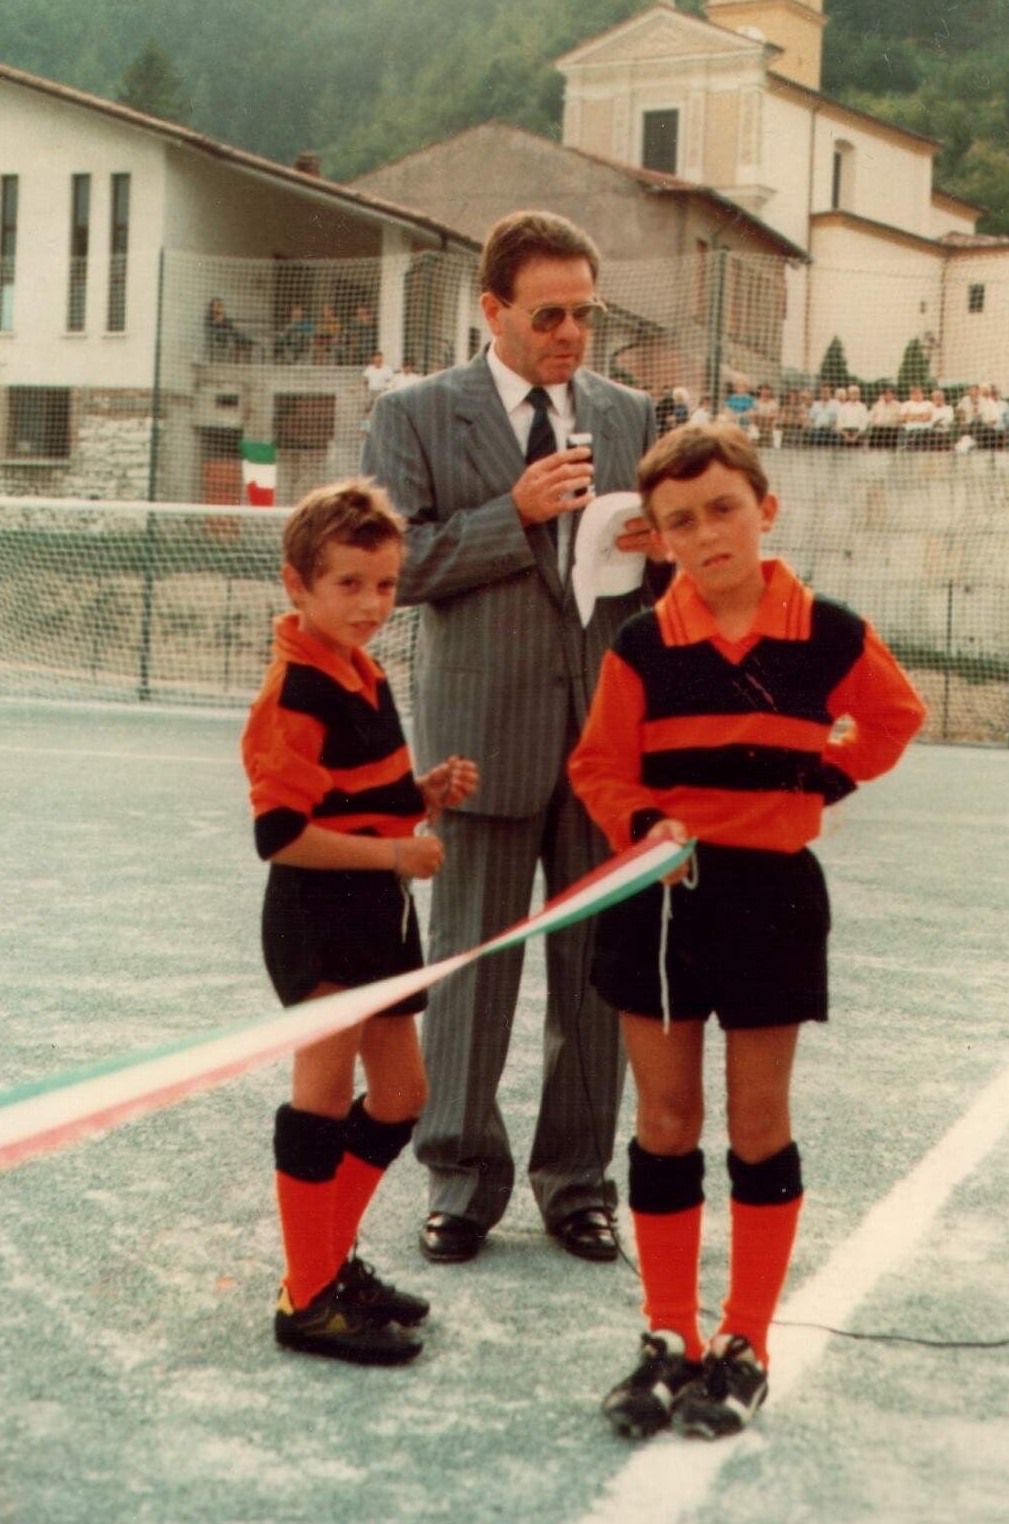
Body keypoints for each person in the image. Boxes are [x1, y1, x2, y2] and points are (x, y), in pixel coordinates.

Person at [568, 421, 925, 1439]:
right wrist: (644, 830)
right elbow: (599, 766)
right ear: (658, 540)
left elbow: (895, 718)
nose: (705, 532)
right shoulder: (640, 644)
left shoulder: (828, 632)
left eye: (723, 508)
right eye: (679, 521)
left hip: (771, 899)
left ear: (764, 511)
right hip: (662, 906)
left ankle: (745, 1341)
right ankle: (667, 1336)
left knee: (758, 1124)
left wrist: (824, 777)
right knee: (666, 1122)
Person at [362, 209, 662, 1266]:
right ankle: (459, 1177)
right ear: (490, 310)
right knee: (469, 968)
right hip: (479, 740)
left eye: (586, 313)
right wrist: (516, 514)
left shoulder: (631, 413)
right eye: (549, 314)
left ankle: (577, 1183)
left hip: (602, 748)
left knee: (594, 975)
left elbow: (661, 578)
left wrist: (658, 548)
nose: (571, 333)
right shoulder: (413, 417)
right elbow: (394, 569)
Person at [241, 478, 480, 1365]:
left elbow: (360, 798)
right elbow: (281, 836)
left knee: (403, 1098)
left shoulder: (361, 665)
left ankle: (326, 1262)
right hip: (319, 914)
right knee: (322, 1095)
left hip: (380, 908)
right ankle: (308, 1298)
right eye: (348, 584)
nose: (372, 604)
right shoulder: (296, 690)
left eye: (384, 585)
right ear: (298, 584)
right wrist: (392, 855)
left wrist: (419, 798)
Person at [204, 297, 253, 363]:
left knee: (238, 333)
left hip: (229, 335)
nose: (220, 307)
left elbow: (230, 325)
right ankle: (244, 339)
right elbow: (213, 326)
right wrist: (220, 318)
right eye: (218, 305)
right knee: (234, 335)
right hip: (218, 336)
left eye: (221, 305)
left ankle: (246, 340)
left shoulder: (223, 316)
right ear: (212, 307)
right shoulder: (210, 317)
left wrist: (233, 326)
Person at [866, 386, 902, 450]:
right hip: (878, 428)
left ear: (893, 395)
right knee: (875, 433)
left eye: (890, 393)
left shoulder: (898, 405)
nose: (888, 395)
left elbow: (900, 419)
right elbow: (871, 416)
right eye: (886, 394)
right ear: (883, 395)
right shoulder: (877, 404)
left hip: (891, 429)